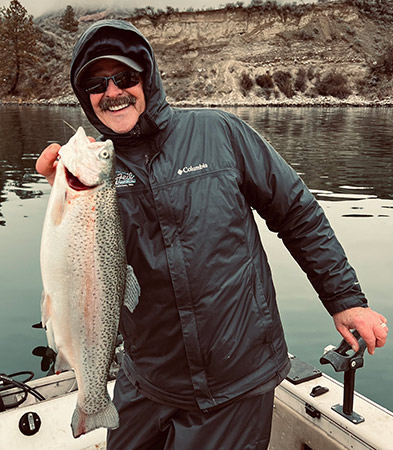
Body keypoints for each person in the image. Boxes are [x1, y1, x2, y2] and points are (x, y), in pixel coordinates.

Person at [36, 19, 388, 449]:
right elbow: (90, 270)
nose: (112, 92)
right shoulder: (97, 171)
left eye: (125, 77)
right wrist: (61, 198)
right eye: (96, 83)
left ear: (147, 77)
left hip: (236, 377)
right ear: (85, 97)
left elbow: (297, 213)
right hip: (147, 375)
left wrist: (345, 300)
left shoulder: (220, 133)